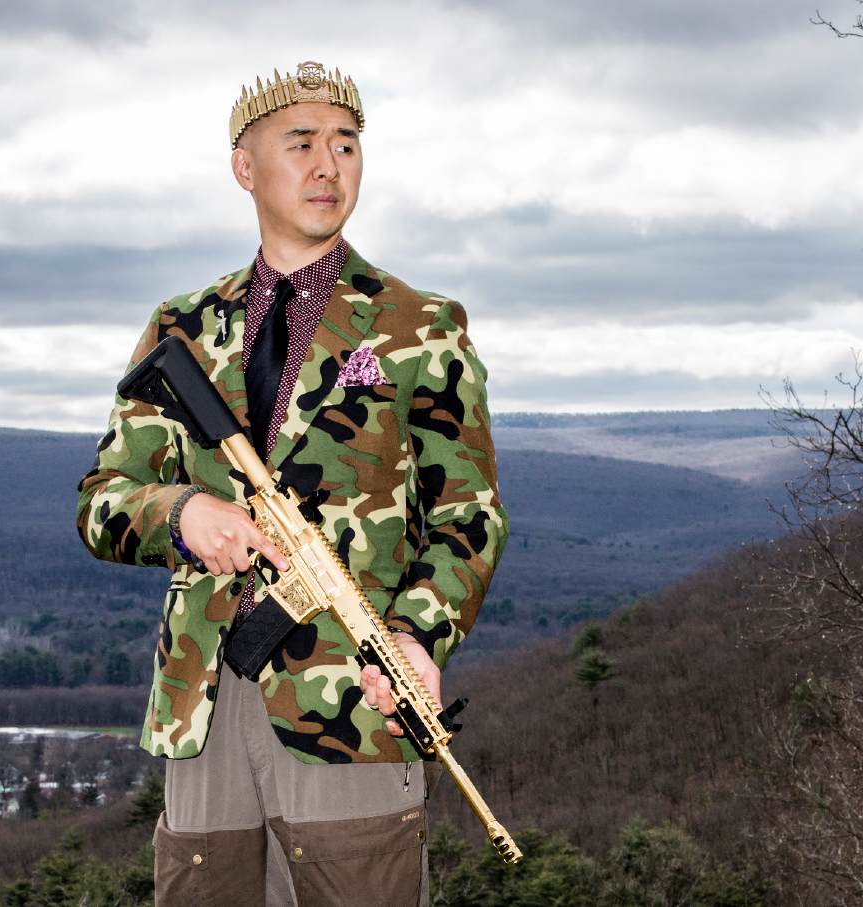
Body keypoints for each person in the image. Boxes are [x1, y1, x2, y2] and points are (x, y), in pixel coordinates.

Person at [76, 60, 507, 906]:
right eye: (301, 143)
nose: (327, 166)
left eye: (346, 145)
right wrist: (182, 511)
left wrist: (419, 637)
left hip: (353, 692)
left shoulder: (418, 326)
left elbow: (469, 512)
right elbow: (101, 498)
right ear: (246, 167)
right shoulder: (182, 329)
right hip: (206, 704)